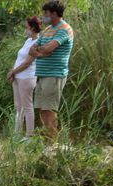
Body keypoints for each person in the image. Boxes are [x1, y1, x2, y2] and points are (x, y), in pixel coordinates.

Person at [29, 1, 75, 137]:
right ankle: (47, 139)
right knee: (42, 109)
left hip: (54, 74)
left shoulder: (64, 29)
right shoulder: (48, 30)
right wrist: (42, 51)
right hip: (42, 75)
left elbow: (50, 47)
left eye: (46, 13)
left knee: (50, 109)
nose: (43, 16)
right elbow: (32, 50)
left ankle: (53, 141)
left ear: (54, 14)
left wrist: (43, 50)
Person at [7, 17, 41, 137]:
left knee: (27, 106)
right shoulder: (28, 41)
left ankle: (29, 136)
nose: (25, 29)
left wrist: (13, 72)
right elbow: (19, 58)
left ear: (32, 27)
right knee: (18, 106)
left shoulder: (37, 42)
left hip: (27, 78)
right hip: (18, 77)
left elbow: (27, 62)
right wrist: (13, 72)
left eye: (26, 27)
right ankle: (17, 134)